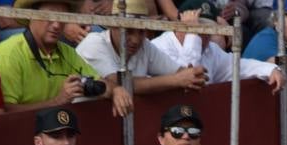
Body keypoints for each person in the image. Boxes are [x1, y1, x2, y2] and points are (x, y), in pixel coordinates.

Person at [0, 0, 134, 116]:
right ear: (31, 14)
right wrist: (57, 101)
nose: (57, 24)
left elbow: (98, 81)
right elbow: (4, 113)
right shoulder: (9, 52)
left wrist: (116, 90)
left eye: (62, 18)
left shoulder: (67, 52)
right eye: (49, 17)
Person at [76, 0, 210, 95]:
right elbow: (119, 83)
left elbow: (179, 72)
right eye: (128, 31)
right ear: (112, 26)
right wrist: (177, 80)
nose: (135, 40)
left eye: (141, 31)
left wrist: (192, 76)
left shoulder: (145, 46)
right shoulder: (93, 43)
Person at [150, 0, 286, 92]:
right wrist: (192, 34)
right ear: (180, 25)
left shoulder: (210, 50)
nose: (205, 36)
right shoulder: (159, 47)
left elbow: (239, 66)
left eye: (209, 30)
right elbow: (190, 79)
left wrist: (271, 69)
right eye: (199, 30)